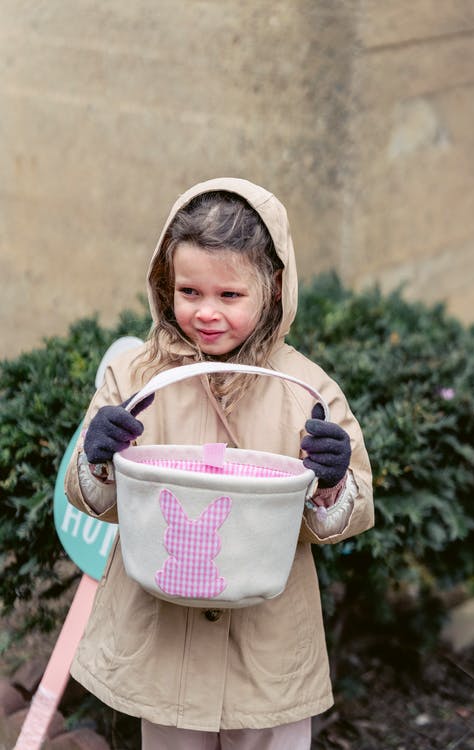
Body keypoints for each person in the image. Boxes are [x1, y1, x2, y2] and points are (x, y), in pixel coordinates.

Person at [65, 177, 374, 750]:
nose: (206, 313)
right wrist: (97, 457)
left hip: (267, 649)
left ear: (274, 289)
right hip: (165, 642)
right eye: (189, 291)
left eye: (230, 295)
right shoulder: (134, 376)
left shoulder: (305, 390)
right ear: (165, 283)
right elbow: (97, 502)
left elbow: (344, 513)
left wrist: (332, 484)